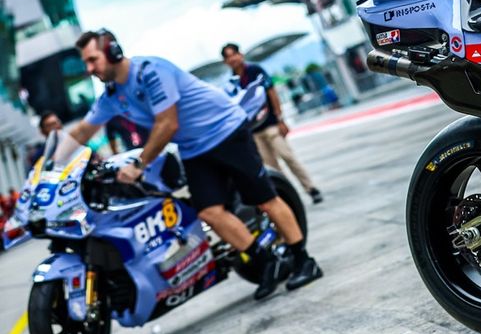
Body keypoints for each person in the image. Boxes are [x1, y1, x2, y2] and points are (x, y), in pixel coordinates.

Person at [67, 29, 322, 298]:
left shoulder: (151, 71)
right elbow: (83, 131)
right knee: (209, 212)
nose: (89, 68)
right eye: (86, 62)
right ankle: (268, 262)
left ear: (112, 52)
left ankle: (305, 261)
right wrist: (47, 163)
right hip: (194, 148)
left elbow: (167, 124)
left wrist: (139, 165)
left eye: (93, 60)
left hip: (225, 131)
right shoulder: (112, 96)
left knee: (265, 199)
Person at [220, 43, 323, 205]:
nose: (232, 59)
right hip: (253, 132)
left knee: (288, 157)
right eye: (228, 56)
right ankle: (290, 198)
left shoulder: (255, 71)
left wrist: (280, 118)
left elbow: (271, 92)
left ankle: (311, 188)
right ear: (224, 62)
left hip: (270, 124)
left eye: (234, 54)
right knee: (273, 169)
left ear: (241, 54)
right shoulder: (231, 83)